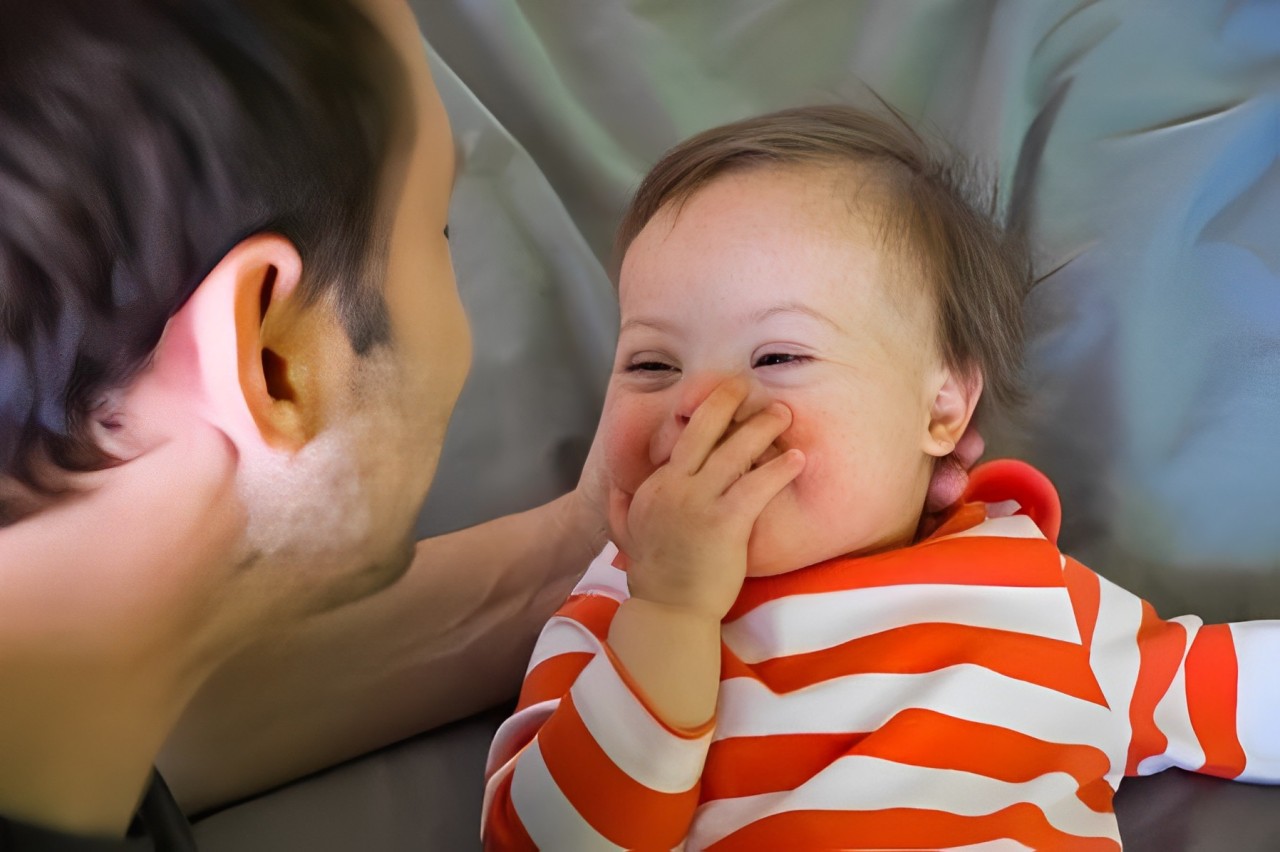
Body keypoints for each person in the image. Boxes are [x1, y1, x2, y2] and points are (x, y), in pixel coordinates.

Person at [0, 2, 977, 847]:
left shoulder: (61, 731)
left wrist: (591, 537)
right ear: (271, 361)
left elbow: (160, 739)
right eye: (439, 234)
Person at [481, 105, 1280, 850]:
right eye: (652, 364)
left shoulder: (1035, 595)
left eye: (779, 357)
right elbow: (545, 838)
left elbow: (1224, 689)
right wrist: (672, 612)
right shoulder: (615, 611)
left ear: (940, 408)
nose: (700, 404)